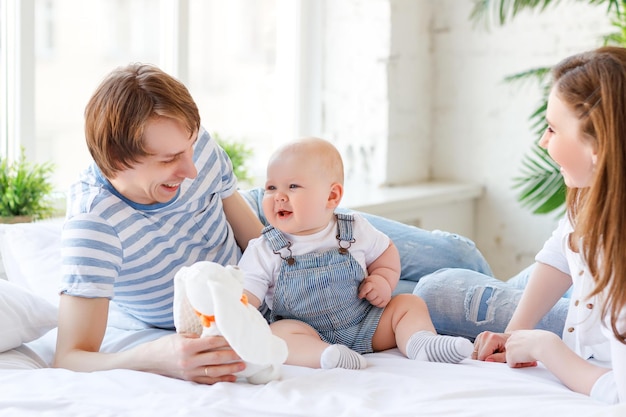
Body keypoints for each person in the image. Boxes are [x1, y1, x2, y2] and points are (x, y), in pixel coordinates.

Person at [53, 62, 491, 385]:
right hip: (259, 294)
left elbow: (256, 236)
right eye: (169, 160)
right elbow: (72, 356)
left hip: (277, 239)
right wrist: (160, 355)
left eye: (189, 147)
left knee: (458, 255)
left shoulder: (196, 149)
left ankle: (557, 290)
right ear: (115, 162)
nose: (191, 170)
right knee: (442, 296)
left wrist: (304, 256)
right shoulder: (95, 227)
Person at [415, 46, 626, 404]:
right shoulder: (596, 194)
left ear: (599, 148)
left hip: (591, 318)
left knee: (431, 291)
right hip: (583, 297)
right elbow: (563, 250)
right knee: (425, 285)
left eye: (553, 129)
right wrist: (514, 333)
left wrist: (548, 349)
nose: (543, 141)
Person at [238, 137, 474, 369]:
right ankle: (326, 356)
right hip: (306, 332)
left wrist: (382, 279)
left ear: (331, 196)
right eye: (271, 187)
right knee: (276, 335)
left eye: (292, 186)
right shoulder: (265, 248)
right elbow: (247, 296)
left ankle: (420, 342)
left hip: (366, 324)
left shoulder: (352, 228)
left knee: (408, 303)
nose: (278, 196)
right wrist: (239, 310)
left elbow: (385, 253)